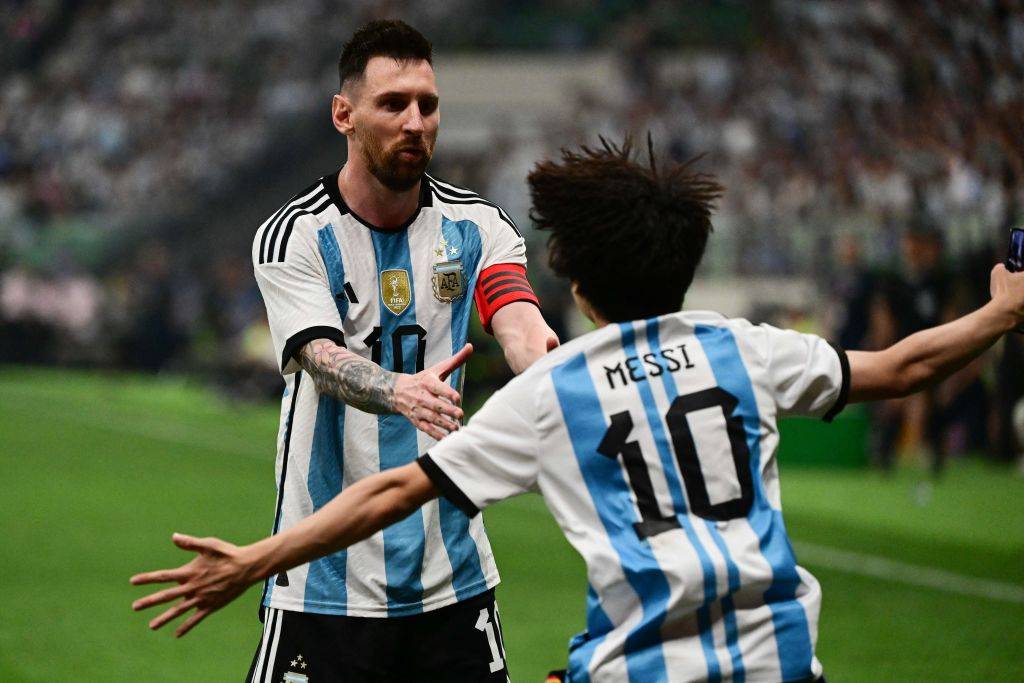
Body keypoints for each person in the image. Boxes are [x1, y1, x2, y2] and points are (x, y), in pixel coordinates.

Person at [131, 137, 1024, 682]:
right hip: (781, 660)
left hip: (639, 667)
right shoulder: (741, 344)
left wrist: (259, 558)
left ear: (583, 288)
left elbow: (392, 492)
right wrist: (1000, 311)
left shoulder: (557, 392)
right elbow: (904, 367)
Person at [227, 19, 556, 683]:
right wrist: (399, 389)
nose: (415, 121)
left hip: (451, 580)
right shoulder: (294, 235)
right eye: (393, 104)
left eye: (427, 105)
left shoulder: (477, 226)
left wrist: (543, 364)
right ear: (343, 114)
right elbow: (320, 355)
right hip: (323, 584)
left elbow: (515, 315)